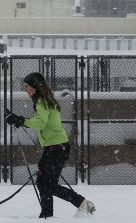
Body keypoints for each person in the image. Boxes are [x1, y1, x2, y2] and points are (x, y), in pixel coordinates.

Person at [5, 72, 96, 219]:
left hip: (57, 148)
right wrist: (18, 120)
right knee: (43, 183)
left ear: (35, 86)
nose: (25, 89)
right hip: (54, 148)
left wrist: (21, 120)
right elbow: (39, 122)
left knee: (48, 185)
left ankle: (81, 205)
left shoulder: (42, 102)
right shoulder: (43, 100)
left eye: (27, 86)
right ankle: (47, 215)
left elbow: (40, 122)